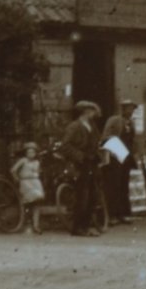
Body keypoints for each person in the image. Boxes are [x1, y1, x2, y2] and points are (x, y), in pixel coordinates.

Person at [58, 100, 104, 236]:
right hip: (80, 165)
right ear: (86, 112)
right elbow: (65, 146)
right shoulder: (74, 126)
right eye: (92, 112)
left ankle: (86, 226)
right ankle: (78, 228)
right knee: (82, 197)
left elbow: (97, 142)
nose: (94, 114)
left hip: (92, 164)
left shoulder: (92, 126)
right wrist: (81, 157)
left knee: (93, 196)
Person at [99, 106, 134, 224]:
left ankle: (122, 214)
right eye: (129, 109)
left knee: (124, 185)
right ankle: (111, 214)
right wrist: (113, 146)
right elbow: (105, 136)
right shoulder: (114, 120)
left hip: (126, 157)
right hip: (115, 156)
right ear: (123, 110)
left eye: (133, 110)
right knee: (114, 185)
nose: (131, 112)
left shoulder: (130, 123)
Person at [10, 141, 45, 235]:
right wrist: (17, 179)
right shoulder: (23, 160)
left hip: (35, 182)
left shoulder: (37, 162)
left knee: (37, 203)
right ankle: (27, 223)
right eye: (29, 152)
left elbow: (38, 172)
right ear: (26, 153)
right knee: (29, 202)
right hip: (26, 182)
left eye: (33, 152)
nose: (31, 154)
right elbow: (13, 170)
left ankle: (36, 225)